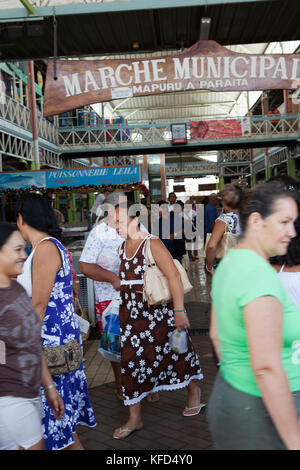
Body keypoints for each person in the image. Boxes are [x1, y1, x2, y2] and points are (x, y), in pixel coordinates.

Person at [208, 180, 300, 450]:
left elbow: (216, 337)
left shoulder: (232, 261)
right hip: (263, 409)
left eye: (294, 223)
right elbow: (266, 368)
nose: (292, 232)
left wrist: (238, 375)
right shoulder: (259, 275)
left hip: (234, 395)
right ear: (257, 221)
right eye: (284, 222)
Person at [112, 201, 204, 440]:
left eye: (120, 222)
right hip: (133, 319)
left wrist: (179, 310)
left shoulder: (151, 243)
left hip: (162, 316)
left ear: (135, 220)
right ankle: (135, 418)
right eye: (113, 222)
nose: (115, 227)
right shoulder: (123, 247)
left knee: (179, 354)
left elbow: (173, 276)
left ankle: (194, 391)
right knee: (130, 362)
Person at [16, 193, 96, 451]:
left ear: (21, 219)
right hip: (55, 348)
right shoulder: (45, 247)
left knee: (57, 428)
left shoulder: (45, 248)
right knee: (64, 433)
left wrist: (19, 339)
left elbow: (39, 304)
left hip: (52, 351)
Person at [79, 192, 159, 404]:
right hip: (109, 300)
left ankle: (146, 382)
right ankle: (120, 383)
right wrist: (111, 278)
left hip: (138, 297)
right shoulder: (100, 232)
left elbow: (152, 256)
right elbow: (85, 265)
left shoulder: (138, 229)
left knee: (142, 340)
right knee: (116, 347)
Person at [0, 222, 64, 450]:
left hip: (29, 395)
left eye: (24, 248)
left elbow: (32, 344)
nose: (24, 256)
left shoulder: (16, 291)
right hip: (9, 401)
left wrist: (48, 386)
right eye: (17, 250)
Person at [205, 185, 243, 275]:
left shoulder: (225, 220)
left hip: (230, 266)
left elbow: (211, 246)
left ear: (224, 202)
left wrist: (209, 267)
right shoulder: (251, 216)